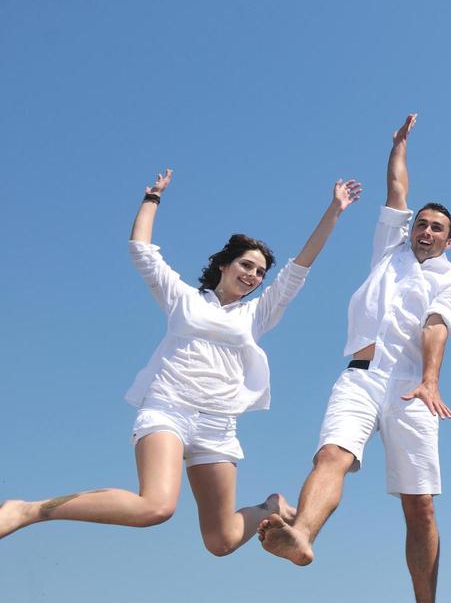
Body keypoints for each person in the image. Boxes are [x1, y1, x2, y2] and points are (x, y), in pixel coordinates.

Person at [0, 168, 361, 551]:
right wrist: (151, 199)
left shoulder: (257, 314)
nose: (253, 275)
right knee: (155, 506)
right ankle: (29, 510)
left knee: (221, 541)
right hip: (169, 408)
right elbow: (141, 249)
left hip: (218, 423)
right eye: (245, 265)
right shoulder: (183, 298)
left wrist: (334, 210)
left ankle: (270, 507)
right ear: (224, 264)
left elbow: (300, 266)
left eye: (259, 272)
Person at [259, 115, 451, 603]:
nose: (424, 231)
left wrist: (429, 380)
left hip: (412, 388)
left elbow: (435, 326)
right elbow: (397, 187)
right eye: (420, 224)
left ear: (449, 241)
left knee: (419, 505)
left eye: (436, 228)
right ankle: (303, 534)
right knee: (332, 456)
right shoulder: (389, 250)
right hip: (358, 375)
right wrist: (398, 146)